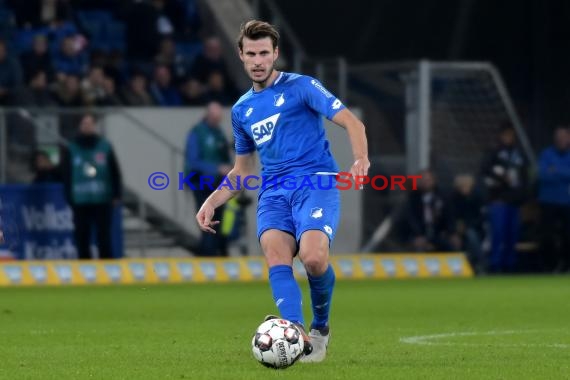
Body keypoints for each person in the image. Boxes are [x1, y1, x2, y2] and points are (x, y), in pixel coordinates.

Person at [195, 20, 369, 362]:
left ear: (275, 54)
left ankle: (320, 328)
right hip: (274, 193)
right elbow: (243, 171)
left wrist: (361, 159)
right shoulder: (242, 110)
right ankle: (295, 334)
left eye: (264, 53)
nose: (258, 60)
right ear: (241, 57)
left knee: (314, 259)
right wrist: (212, 201)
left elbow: (352, 122)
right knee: (277, 256)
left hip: (315, 183)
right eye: (251, 54)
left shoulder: (303, 87)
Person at [60, 113, 122, 259]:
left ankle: (107, 266)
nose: (87, 126)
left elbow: (115, 172)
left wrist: (116, 194)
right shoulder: (72, 148)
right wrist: (69, 197)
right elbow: (66, 174)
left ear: (94, 126)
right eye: (84, 123)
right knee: (82, 234)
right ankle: (84, 266)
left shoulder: (105, 146)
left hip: (102, 198)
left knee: (104, 235)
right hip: (80, 200)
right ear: (80, 126)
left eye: (90, 123)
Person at [185, 101, 232, 256]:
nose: (217, 121)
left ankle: (217, 252)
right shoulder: (197, 133)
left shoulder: (218, 133)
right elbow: (193, 161)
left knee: (220, 219)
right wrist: (216, 168)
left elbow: (225, 156)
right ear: (208, 115)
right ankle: (207, 253)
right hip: (201, 182)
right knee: (206, 217)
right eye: (215, 117)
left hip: (218, 183)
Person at [481, 122, 529, 273]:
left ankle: (510, 265)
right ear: (501, 136)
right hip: (499, 200)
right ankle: (495, 264)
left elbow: (525, 176)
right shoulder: (494, 152)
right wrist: (501, 177)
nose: (508, 137)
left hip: (514, 201)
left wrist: (523, 196)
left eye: (511, 135)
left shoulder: (519, 154)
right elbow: (485, 170)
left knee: (512, 234)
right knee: (498, 233)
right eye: (505, 134)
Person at [537, 127, 570, 272]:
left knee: (567, 235)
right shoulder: (546, 154)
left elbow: (551, 173)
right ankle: (549, 266)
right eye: (559, 136)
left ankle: (566, 265)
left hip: (567, 202)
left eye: (564, 136)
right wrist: (565, 174)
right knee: (547, 235)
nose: (561, 139)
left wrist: (555, 170)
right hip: (548, 201)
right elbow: (543, 175)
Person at [403, 169, 453, 252]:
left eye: (428, 180)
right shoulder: (413, 198)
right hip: (419, 232)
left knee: (449, 244)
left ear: (433, 181)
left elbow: (449, 215)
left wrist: (451, 232)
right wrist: (418, 235)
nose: (425, 182)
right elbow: (411, 218)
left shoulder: (442, 196)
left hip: (438, 232)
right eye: (422, 180)